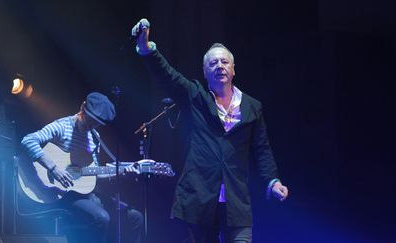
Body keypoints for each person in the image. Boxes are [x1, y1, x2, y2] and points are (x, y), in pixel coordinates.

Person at [131, 19, 289, 242]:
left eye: (224, 62)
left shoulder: (252, 107)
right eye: (213, 64)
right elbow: (169, 77)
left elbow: (261, 149)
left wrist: (273, 181)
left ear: (233, 70)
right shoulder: (196, 97)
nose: (219, 67)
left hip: (236, 202)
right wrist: (147, 48)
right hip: (200, 200)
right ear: (205, 73)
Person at [20, 92, 143, 243]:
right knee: (102, 217)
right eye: (89, 120)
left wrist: (121, 173)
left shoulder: (94, 138)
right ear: (82, 107)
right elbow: (28, 140)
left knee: (135, 217)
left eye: (96, 124)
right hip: (59, 193)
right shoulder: (61, 127)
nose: (90, 126)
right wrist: (53, 168)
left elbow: (94, 172)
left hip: (84, 193)